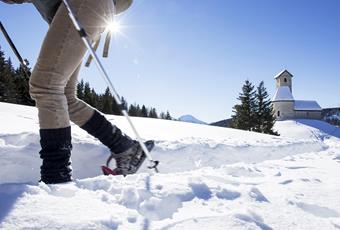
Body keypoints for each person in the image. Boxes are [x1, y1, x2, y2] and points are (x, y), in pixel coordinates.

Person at [2, 0, 150, 184]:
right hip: (80, 10)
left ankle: (56, 177)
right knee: (64, 95)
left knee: (46, 86)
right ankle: (124, 146)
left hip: (82, 6)